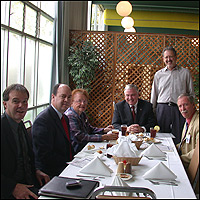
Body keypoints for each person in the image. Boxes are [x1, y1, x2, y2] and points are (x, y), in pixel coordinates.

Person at [1, 84, 50, 199]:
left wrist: (36, 171)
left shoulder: (20, 125)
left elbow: (27, 157)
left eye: (25, 102)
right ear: (5, 104)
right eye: (15, 101)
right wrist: (13, 187)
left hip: (30, 184)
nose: (21, 106)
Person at [151, 46, 194, 144]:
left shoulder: (185, 73)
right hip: (162, 109)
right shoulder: (158, 74)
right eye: (166, 57)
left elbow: (191, 93)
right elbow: (154, 94)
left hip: (179, 109)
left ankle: (178, 157)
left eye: (171, 57)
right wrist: (153, 111)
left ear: (176, 57)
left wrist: (190, 111)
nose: (168, 59)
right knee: (160, 137)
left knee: (179, 137)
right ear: (163, 59)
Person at [32, 83, 74, 178]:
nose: (66, 100)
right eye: (63, 96)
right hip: (51, 173)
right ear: (53, 97)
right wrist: (69, 165)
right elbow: (44, 156)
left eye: (69, 97)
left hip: (67, 167)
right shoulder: (43, 121)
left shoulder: (65, 118)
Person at [65, 88, 118, 153]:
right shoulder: (70, 116)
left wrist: (104, 130)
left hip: (85, 147)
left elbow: (89, 129)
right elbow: (80, 137)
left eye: (85, 101)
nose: (83, 103)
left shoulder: (82, 114)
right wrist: (103, 137)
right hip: (76, 151)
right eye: (79, 101)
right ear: (72, 102)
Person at [176, 93, 199, 169]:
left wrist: (178, 159)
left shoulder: (198, 123)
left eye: (185, 105)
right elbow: (184, 143)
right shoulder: (188, 120)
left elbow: (197, 151)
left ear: (193, 105)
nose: (183, 109)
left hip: (192, 168)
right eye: (180, 106)